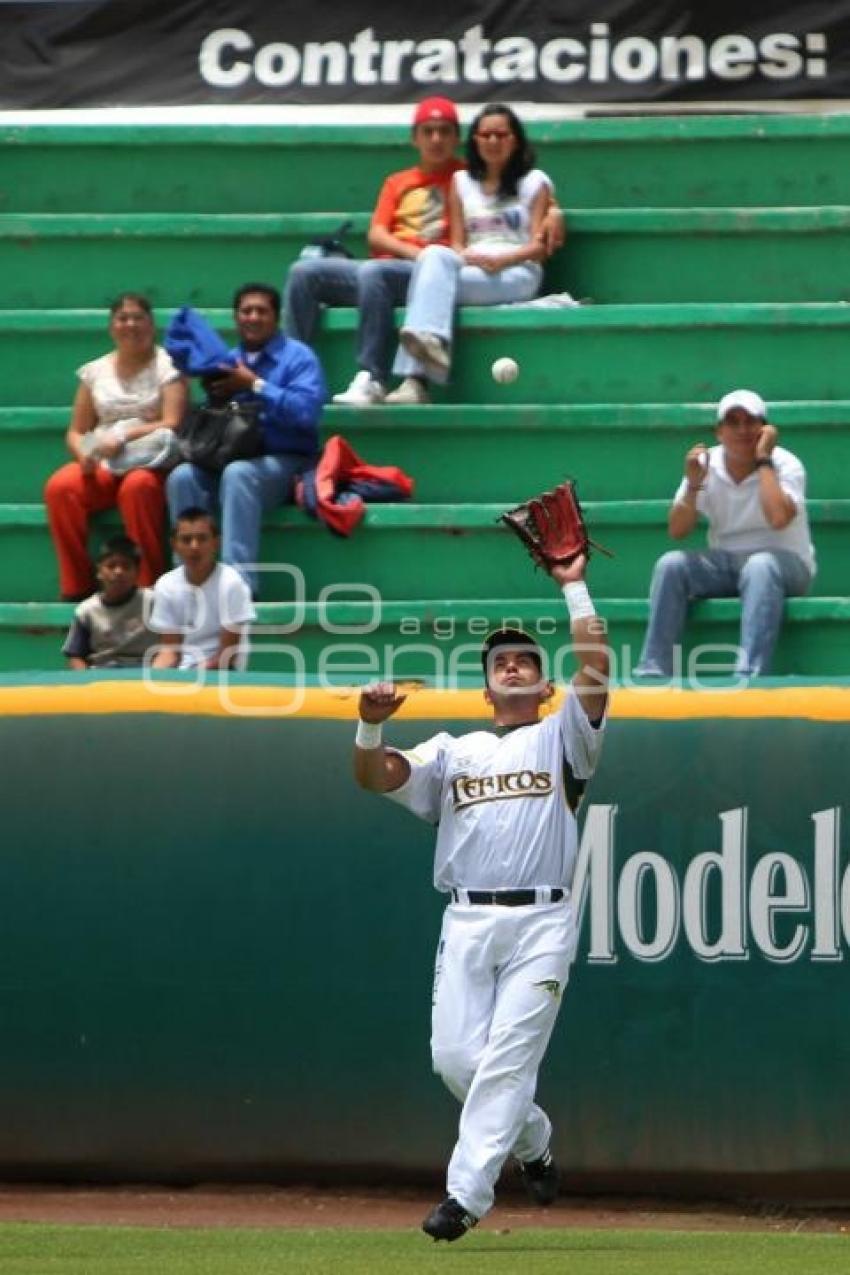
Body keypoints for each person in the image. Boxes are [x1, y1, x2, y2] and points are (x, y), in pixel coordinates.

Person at [353, 555, 608, 1242]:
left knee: (507, 1058)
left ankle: (463, 1197)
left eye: (525, 658)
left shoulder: (564, 738)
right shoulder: (454, 748)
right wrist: (370, 725)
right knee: (457, 1061)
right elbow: (375, 776)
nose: (513, 664)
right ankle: (533, 1139)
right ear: (487, 684)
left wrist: (572, 583)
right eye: (502, 659)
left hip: (543, 917)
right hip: (467, 915)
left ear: (544, 682)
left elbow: (598, 664)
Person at [284, 97, 563, 408]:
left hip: (423, 272)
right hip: (413, 265)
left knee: (376, 272)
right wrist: (419, 256)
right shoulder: (405, 181)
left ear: (457, 138)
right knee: (304, 273)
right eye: (428, 131)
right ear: (414, 137)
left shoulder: (471, 175)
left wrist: (555, 211)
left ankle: (373, 377)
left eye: (444, 132)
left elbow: (522, 195)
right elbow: (377, 234)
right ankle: (291, 374)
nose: (436, 140)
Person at [635, 388, 815, 679]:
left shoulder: (785, 464)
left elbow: (779, 518)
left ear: (765, 429)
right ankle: (652, 672)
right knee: (671, 564)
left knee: (760, 566)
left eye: (751, 421)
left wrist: (763, 460)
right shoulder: (707, 466)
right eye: (733, 422)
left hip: (786, 565)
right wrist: (694, 485)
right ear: (719, 431)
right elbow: (677, 530)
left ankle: (749, 677)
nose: (743, 430)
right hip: (726, 565)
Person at [166, 284, 326, 598]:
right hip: (228, 457)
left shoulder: (298, 358)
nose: (253, 318)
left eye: (261, 311)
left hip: (284, 462)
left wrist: (256, 385)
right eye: (245, 311)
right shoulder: (227, 360)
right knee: (182, 477)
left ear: (276, 317)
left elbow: (306, 414)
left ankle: (237, 590)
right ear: (236, 317)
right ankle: (189, 584)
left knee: (240, 475)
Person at [390, 103, 552, 404]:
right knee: (433, 256)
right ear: (475, 140)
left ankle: (415, 381)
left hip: (517, 270)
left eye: (501, 135)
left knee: (427, 285)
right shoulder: (462, 182)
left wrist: (503, 259)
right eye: (486, 135)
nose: (493, 142)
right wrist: (467, 257)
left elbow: (539, 248)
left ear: (515, 140)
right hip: (473, 265)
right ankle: (429, 346)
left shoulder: (534, 182)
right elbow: (457, 243)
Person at [44, 292, 186, 600]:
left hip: (150, 459)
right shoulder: (95, 372)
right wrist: (85, 453)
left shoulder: (168, 367)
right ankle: (78, 585)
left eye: (138, 318)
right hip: (105, 458)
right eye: (123, 319)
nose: (130, 325)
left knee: (138, 488)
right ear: (112, 327)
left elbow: (172, 421)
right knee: (61, 488)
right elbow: (77, 431)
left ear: (151, 325)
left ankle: (146, 585)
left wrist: (124, 437)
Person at [149, 508, 256, 671]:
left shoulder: (232, 583)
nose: (194, 546)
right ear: (174, 545)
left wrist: (192, 677)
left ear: (216, 543)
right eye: (186, 540)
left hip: (224, 676)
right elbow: (170, 650)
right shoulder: (165, 585)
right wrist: (155, 675)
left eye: (202, 539)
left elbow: (227, 655)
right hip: (184, 674)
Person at [62, 534, 157, 669]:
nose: (118, 572)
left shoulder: (152, 602)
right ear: (99, 571)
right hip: (102, 674)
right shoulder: (86, 611)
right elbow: (75, 656)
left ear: (137, 572)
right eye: (111, 566)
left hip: (143, 672)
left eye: (126, 566)